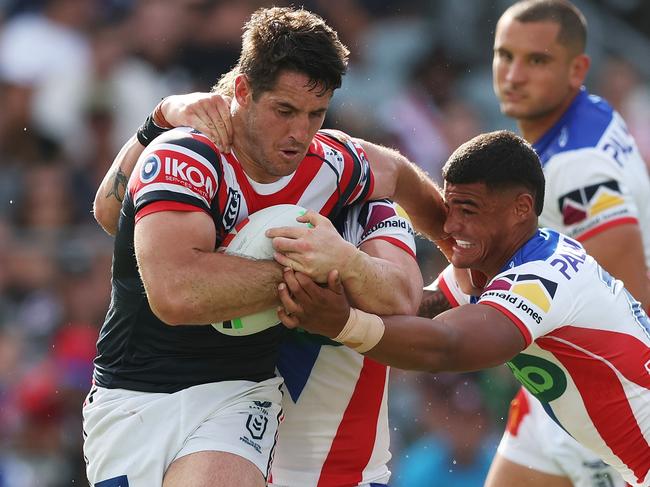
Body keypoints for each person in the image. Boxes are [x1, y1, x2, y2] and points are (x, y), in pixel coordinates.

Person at [86, 6, 441, 487]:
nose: (300, 133)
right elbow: (176, 294)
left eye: (316, 113)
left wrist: (462, 250)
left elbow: (398, 174)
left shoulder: (329, 162)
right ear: (243, 91)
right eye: (285, 111)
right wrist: (310, 275)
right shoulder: (188, 153)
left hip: (239, 394)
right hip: (134, 397)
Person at [276, 130, 650, 487]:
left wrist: (342, 322)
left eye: (468, 210)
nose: (451, 225)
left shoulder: (544, 279)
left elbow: (445, 345)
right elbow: (413, 312)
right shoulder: (496, 265)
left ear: (521, 208)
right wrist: (336, 284)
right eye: (450, 206)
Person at [486, 1, 650, 485]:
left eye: (536, 60)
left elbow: (631, 295)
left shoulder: (575, 168)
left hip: (605, 393)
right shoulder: (586, 114)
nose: (514, 74)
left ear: (577, 69)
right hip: (555, 387)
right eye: (504, 55)